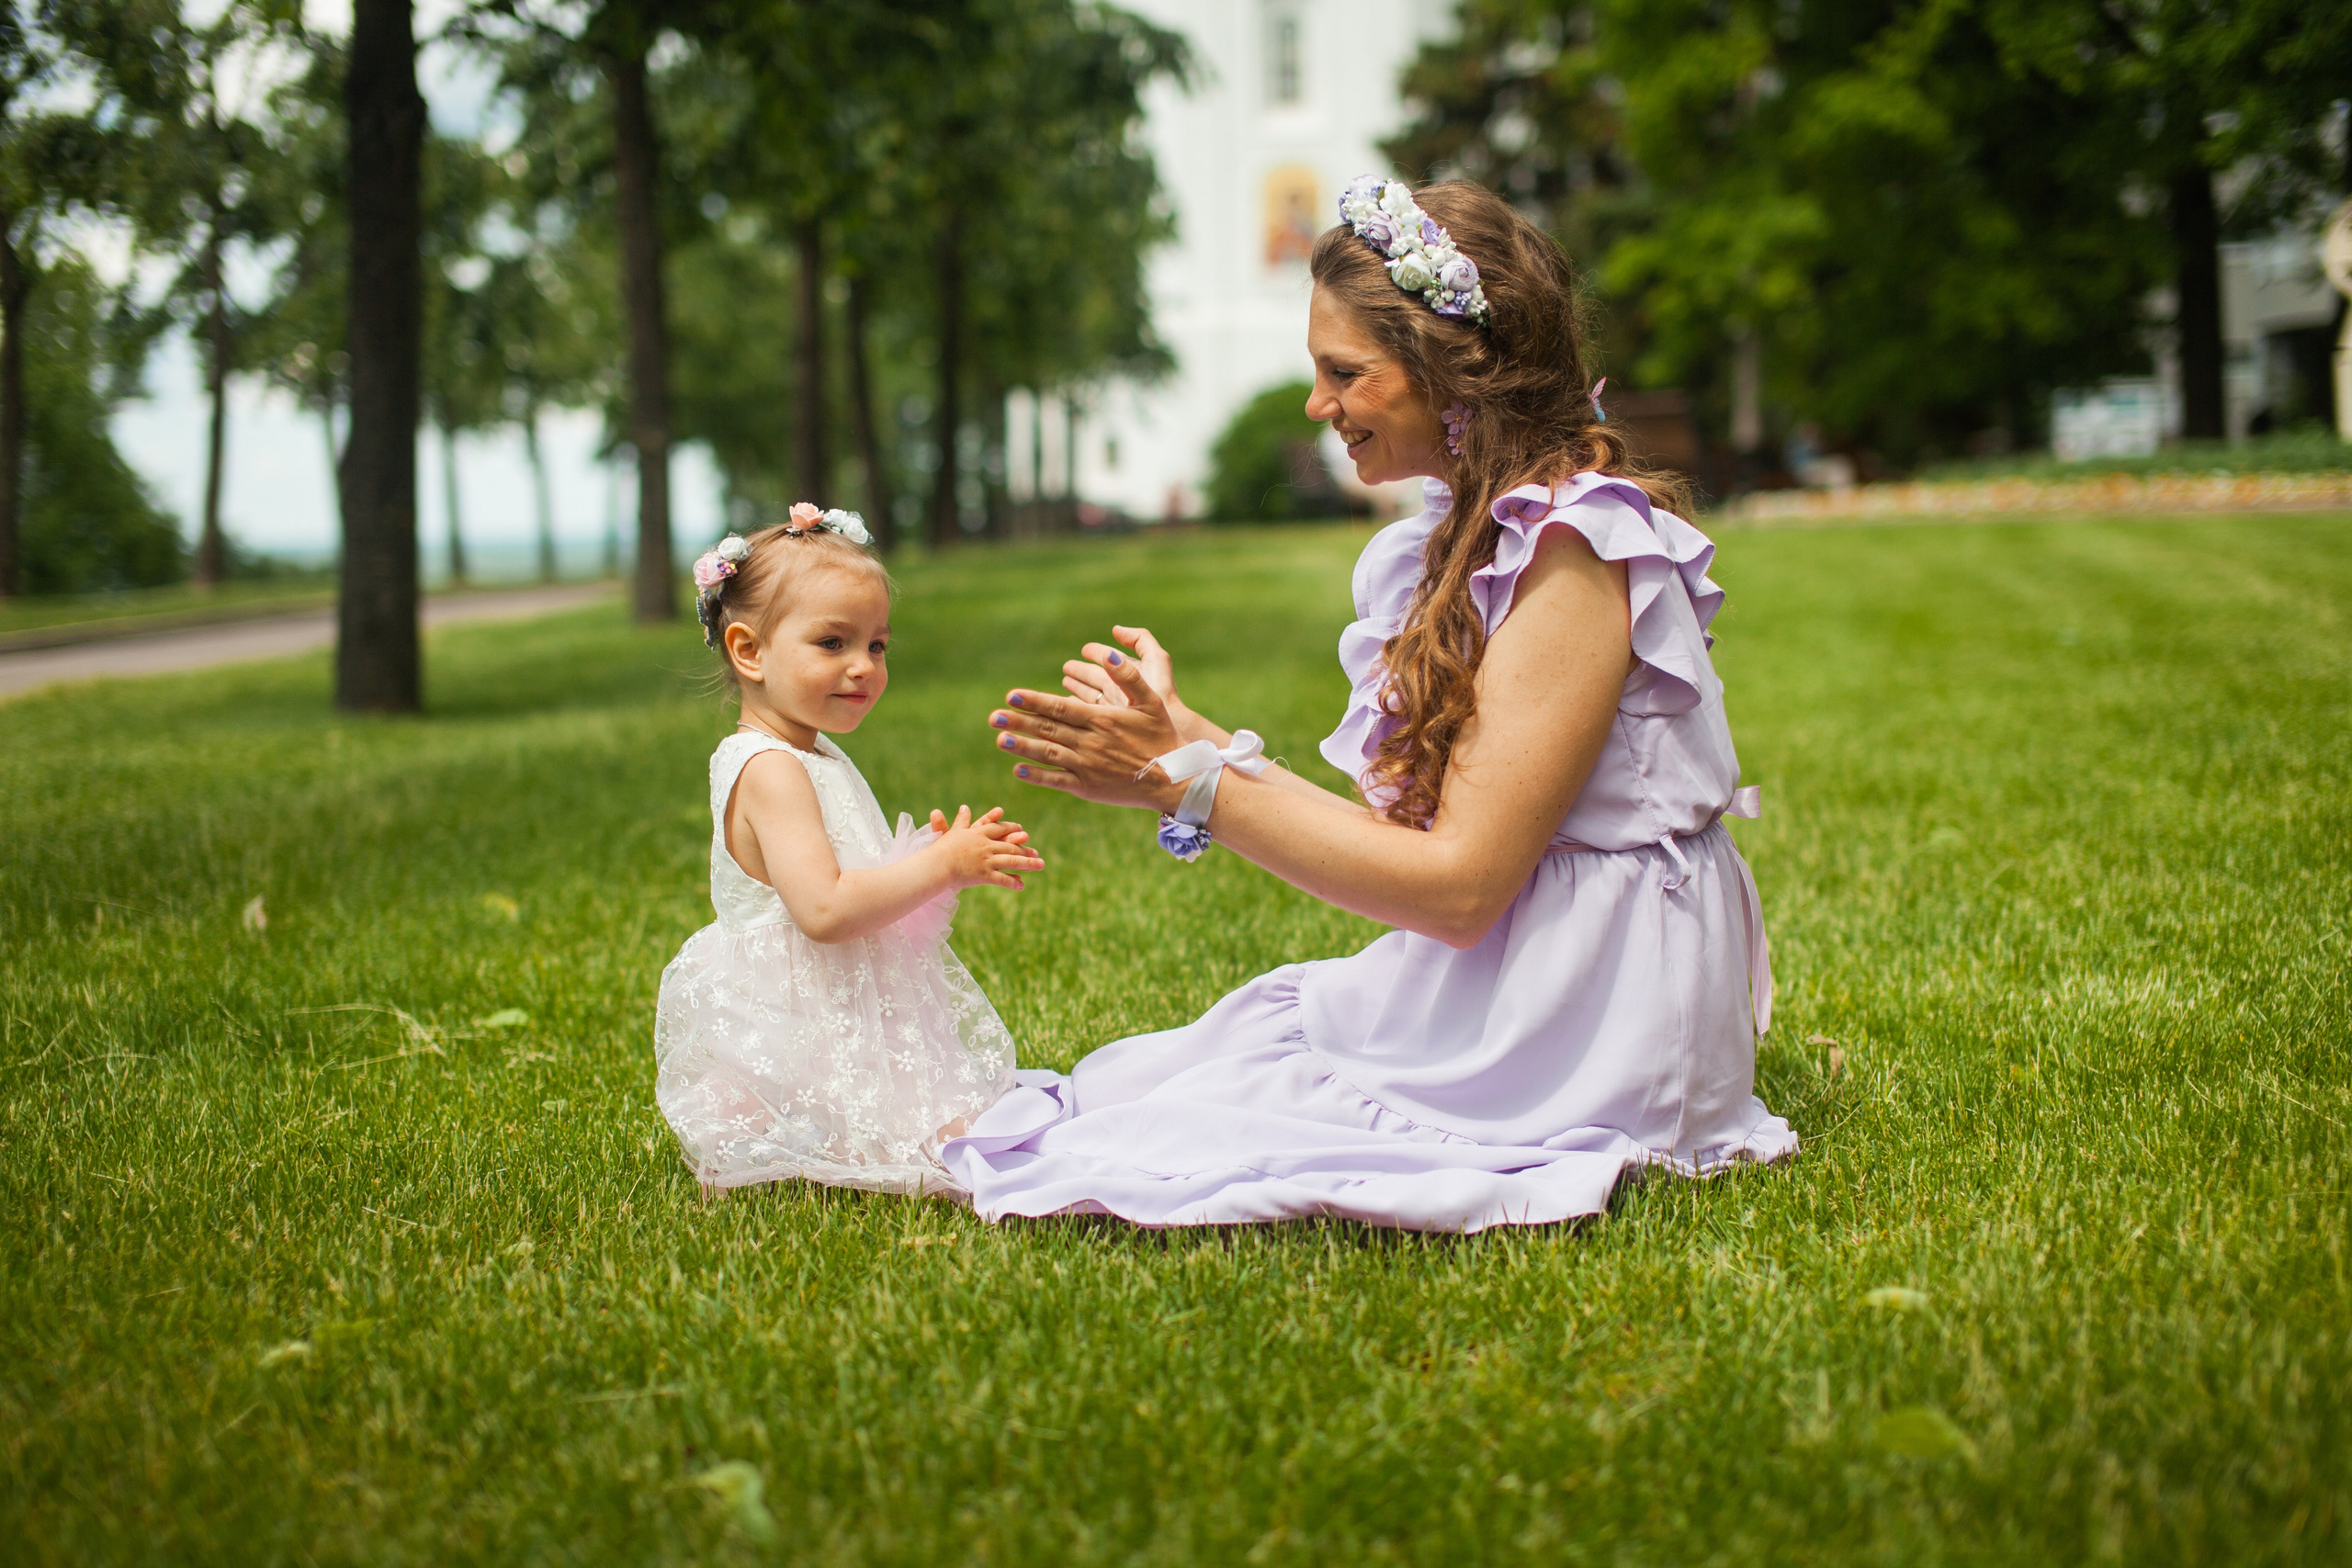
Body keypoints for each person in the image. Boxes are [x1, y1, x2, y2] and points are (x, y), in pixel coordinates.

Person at [948, 178, 1795, 1233]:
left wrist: (1197, 788)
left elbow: (1457, 889)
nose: (1316, 403)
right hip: (1526, 962)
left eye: (1343, 372)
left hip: (1597, 1011)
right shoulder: (1464, 533)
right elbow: (1406, 841)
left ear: (1449, 375)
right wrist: (1187, 744)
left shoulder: (1574, 553)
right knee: (1177, 1079)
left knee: (1194, 1127)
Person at [653, 503, 1042, 1196]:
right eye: (832, 643)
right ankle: (792, 1125)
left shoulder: (809, 748)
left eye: (877, 645)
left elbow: (852, 874)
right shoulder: (772, 769)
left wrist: (932, 855)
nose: (863, 666)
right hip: (797, 1017)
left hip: (840, 1002)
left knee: (961, 1124)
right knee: (942, 1146)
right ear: (750, 651)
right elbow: (826, 909)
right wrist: (940, 866)